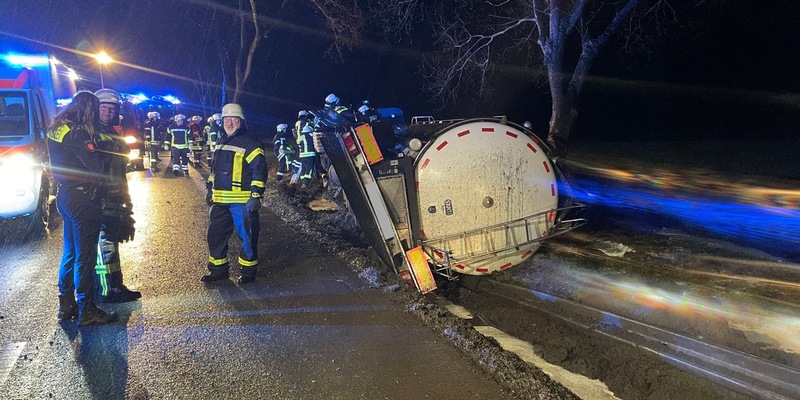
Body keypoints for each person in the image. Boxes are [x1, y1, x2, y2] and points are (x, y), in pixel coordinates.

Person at [47, 91, 117, 326]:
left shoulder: (59, 128)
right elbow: (95, 166)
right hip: (83, 201)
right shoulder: (78, 133)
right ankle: (87, 308)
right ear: (89, 110)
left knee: (70, 253)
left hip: (65, 196)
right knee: (85, 258)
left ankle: (66, 305)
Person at [202, 103, 267, 284]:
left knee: (247, 236)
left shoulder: (251, 143)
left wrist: (256, 195)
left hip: (242, 202)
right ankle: (218, 270)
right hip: (220, 200)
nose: (230, 123)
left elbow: (259, 170)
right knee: (215, 235)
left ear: (241, 122)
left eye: (234, 119)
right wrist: (210, 188)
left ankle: (248, 272)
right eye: (227, 119)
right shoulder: (221, 141)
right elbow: (215, 170)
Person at [93, 89, 141, 303]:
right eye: (103, 107)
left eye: (111, 108)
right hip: (99, 199)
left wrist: (126, 204)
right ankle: (106, 290)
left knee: (111, 242)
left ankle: (114, 286)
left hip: (114, 197)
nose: (107, 111)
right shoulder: (90, 133)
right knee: (104, 244)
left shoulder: (114, 134)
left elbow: (120, 172)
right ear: (96, 109)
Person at [295, 125, 317, 189]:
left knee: (303, 169)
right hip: (310, 155)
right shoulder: (311, 135)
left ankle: (302, 182)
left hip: (302, 156)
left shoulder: (300, 137)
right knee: (309, 169)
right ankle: (305, 184)